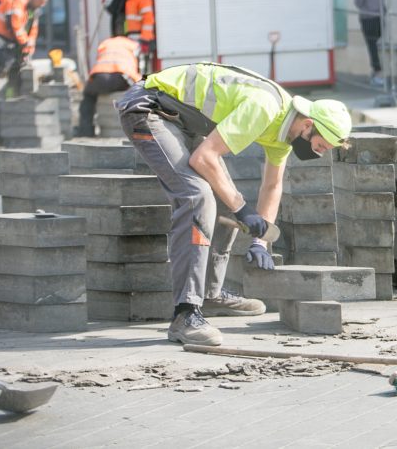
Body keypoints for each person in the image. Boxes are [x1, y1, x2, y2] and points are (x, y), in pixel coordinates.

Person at [116, 62, 353, 346]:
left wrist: (260, 241)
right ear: (308, 125)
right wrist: (244, 209)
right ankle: (185, 314)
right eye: (320, 146)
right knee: (197, 196)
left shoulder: (284, 132)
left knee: (225, 200)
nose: (318, 152)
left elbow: (272, 185)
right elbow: (204, 158)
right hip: (148, 107)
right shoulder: (265, 107)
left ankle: (209, 293)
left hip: (180, 118)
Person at [75, 35, 141, 137]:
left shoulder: (106, 43)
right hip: (120, 77)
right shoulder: (132, 45)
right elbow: (135, 67)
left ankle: (85, 132)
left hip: (99, 77)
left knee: (88, 97)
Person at [105, 0, 155, 73]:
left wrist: (145, 39)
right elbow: (116, 12)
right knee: (131, 65)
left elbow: (148, 18)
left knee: (142, 66)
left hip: (141, 37)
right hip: (129, 36)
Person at [352, 0, 386, 87]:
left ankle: (377, 72)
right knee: (378, 45)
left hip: (367, 19)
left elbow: (359, 4)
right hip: (379, 18)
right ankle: (377, 72)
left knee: (371, 46)